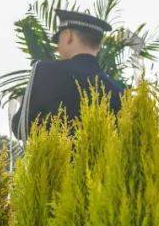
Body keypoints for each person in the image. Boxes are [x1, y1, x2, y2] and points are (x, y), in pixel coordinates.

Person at [11, 9, 124, 142]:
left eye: (58, 40)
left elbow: (21, 129)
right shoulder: (119, 91)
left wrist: (21, 103)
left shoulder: (45, 71)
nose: (57, 47)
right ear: (98, 46)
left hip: (51, 161)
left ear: (68, 36)